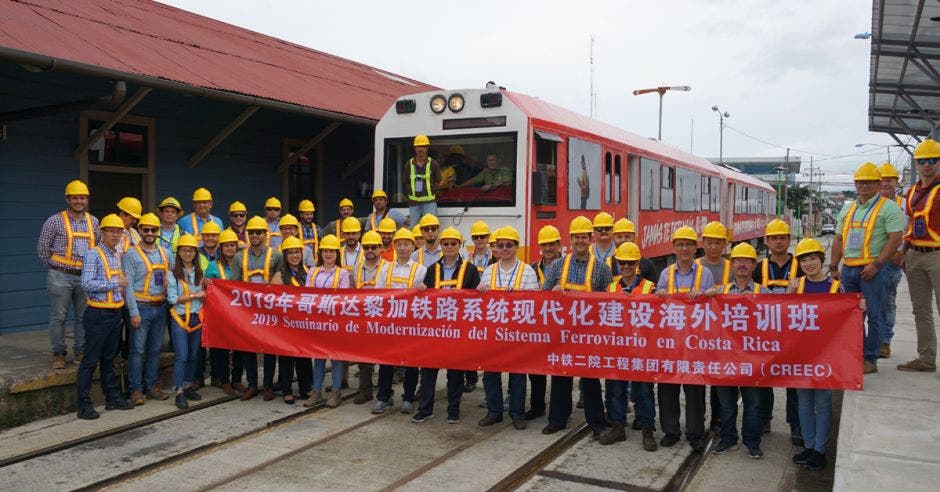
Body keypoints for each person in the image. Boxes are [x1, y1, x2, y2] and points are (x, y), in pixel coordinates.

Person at [789, 238, 865, 471]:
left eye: (813, 258)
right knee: (803, 402)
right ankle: (809, 446)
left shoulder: (835, 287)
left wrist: (860, 308)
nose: (809, 263)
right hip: (801, 355)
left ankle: (820, 450)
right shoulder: (796, 286)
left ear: (822, 260)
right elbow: (782, 319)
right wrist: (789, 295)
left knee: (822, 403)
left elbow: (848, 322)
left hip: (826, 356)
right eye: (804, 260)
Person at [540, 216, 613, 437]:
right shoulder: (557, 266)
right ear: (570, 240)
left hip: (589, 335)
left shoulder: (601, 268)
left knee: (590, 379)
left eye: (583, 237)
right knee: (560, 375)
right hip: (563, 334)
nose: (580, 241)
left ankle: (596, 422)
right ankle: (557, 419)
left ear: (590, 239)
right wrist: (551, 293)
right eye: (576, 237)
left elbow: (610, 302)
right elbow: (542, 297)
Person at [831, 162, 904, 375]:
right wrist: (834, 265)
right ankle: (855, 354)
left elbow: (895, 239)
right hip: (849, 270)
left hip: (874, 270)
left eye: (869, 182)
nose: (864, 185)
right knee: (851, 316)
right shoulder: (847, 208)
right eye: (860, 182)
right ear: (855, 184)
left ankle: (870, 358)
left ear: (878, 183)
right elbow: (838, 238)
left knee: (875, 315)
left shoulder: (889, 208)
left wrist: (877, 264)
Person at [704, 243, 769, 459]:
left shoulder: (764, 293)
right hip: (725, 359)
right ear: (731, 265)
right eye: (737, 261)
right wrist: (702, 295)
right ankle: (728, 439)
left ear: (754, 265)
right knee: (727, 404)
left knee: (753, 404)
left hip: (752, 361)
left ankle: (752, 442)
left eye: (747, 261)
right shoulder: (718, 292)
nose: (742, 264)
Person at [655, 226, 714, 452]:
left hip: (695, 342)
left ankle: (695, 432)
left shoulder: (704, 274)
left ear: (695, 248)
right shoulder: (665, 274)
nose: (685, 248)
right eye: (680, 244)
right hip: (669, 342)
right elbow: (658, 305)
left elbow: (712, 305)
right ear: (674, 248)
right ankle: (671, 431)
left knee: (694, 390)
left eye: (689, 244)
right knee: (668, 388)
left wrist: (707, 294)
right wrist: (659, 295)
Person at [414, 227, 481, 424]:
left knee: (455, 372)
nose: (449, 247)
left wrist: (481, 290)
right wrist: (421, 289)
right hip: (435, 330)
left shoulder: (470, 269)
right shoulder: (431, 269)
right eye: (446, 243)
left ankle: (454, 409)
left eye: (453, 243)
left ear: (460, 245)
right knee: (428, 370)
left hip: (458, 331)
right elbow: (424, 298)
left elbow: (476, 299)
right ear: (441, 245)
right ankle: (425, 409)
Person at [477, 226, 540, 430]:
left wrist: (519, 293)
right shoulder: (488, 272)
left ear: (516, 247)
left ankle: (517, 413)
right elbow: (480, 304)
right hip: (493, 332)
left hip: (517, 332)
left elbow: (534, 301)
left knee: (518, 374)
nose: (504, 249)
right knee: (490, 374)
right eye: (500, 245)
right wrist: (481, 291)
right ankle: (494, 412)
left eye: (509, 245)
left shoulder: (527, 272)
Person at [76, 213, 134, 419]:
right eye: (111, 231)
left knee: (109, 358)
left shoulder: (118, 255)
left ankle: (112, 397)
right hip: (98, 313)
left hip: (114, 313)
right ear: (102, 232)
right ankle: (83, 404)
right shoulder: (93, 254)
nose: (116, 235)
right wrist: (115, 284)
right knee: (90, 360)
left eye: (119, 231)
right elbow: (87, 283)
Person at [38, 180, 100, 369]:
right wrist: (57, 267)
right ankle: (58, 353)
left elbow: (97, 248)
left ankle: (80, 350)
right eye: (75, 198)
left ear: (86, 200)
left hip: (85, 277)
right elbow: (42, 249)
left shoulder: (94, 222)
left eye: (82, 198)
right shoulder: (54, 220)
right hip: (60, 275)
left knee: (83, 316)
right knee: (59, 315)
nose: (79, 201)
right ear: (68, 199)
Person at [603, 241, 658, 452]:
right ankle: (618, 427)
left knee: (643, 391)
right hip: (617, 349)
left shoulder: (650, 288)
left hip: (641, 350)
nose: (625, 266)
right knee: (615, 390)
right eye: (622, 263)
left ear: (638, 264)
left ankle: (647, 429)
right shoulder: (610, 288)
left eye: (630, 263)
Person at [755, 218, 803, 443]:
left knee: (793, 380)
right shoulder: (759, 268)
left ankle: (796, 424)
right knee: (765, 378)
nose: (778, 242)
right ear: (766, 241)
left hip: (793, 333)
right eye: (774, 238)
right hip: (766, 333)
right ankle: (764, 418)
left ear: (789, 240)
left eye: (782, 238)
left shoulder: (801, 266)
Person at [372, 228, 428, 414]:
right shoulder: (385, 268)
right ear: (394, 246)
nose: (403, 248)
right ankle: (383, 397)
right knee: (386, 362)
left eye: (407, 244)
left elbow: (424, 300)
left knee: (411, 363)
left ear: (413, 246)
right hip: (389, 325)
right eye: (400, 244)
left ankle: (408, 397)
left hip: (410, 326)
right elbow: (378, 295)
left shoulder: (421, 270)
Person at [229, 216, 284, 401]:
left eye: (258, 232)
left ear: (265, 234)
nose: (254, 235)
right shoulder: (238, 256)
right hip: (247, 310)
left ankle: (268, 385)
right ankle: (252, 385)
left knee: (269, 348)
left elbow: (281, 279)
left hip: (268, 310)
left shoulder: (276, 255)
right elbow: (233, 285)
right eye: (251, 232)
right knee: (248, 348)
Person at [897, 139, 940, 373]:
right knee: (921, 309)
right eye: (922, 161)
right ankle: (926, 358)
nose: (927, 165)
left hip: (937, 256)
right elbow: (909, 225)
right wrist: (903, 254)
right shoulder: (911, 191)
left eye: (932, 160)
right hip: (914, 254)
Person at [123, 213, 172, 405]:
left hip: (160, 307)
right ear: (140, 231)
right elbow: (127, 287)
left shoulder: (166, 254)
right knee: (137, 350)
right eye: (146, 229)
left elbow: (173, 280)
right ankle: (136, 389)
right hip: (141, 308)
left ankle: (151, 386)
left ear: (158, 232)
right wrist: (133, 312)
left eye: (153, 230)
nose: (150, 233)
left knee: (154, 351)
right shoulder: (131, 254)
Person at [696, 220, 731, 433]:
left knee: (719, 380)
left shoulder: (732, 268)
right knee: (699, 378)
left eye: (719, 243)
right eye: (710, 242)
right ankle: (698, 420)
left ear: (725, 245)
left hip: (723, 335)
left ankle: (717, 420)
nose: (714, 247)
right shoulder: (695, 266)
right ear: (704, 243)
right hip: (699, 334)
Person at [270, 236, 314, 405]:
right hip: (286, 323)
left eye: (297, 252)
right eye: (291, 253)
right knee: (286, 358)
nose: (295, 256)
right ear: (285, 255)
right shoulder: (279, 275)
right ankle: (287, 390)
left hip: (304, 323)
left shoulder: (310, 272)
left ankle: (305, 388)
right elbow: (272, 300)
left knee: (304, 356)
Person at [167, 234, 206, 410]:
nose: (188, 254)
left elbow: (205, 297)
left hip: (197, 318)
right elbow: (173, 298)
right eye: (184, 250)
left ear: (195, 253)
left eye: (191, 251)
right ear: (179, 252)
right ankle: (179, 391)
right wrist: (195, 295)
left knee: (193, 355)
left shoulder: (199, 273)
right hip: (180, 319)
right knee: (181, 356)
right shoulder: (172, 274)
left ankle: (188, 385)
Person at [203, 229, 241, 395]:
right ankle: (224, 380)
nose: (229, 249)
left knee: (241, 346)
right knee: (221, 348)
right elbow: (208, 287)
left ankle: (237, 379)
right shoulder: (212, 266)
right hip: (219, 312)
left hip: (240, 313)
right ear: (221, 247)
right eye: (226, 246)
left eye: (232, 245)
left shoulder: (242, 263)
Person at [351, 230, 386, 404]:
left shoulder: (388, 267)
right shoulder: (357, 268)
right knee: (363, 358)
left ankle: (384, 391)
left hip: (382, 319)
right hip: (363, 318)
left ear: (381, 248)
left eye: (374, 247)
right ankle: (365, 390)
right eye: (366, 247)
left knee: (385, 357)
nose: (370, 250)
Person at [877, 162, 905, 358]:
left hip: (893, 261)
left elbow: (910, 230)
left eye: (890, 179)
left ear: (897, 181)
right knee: (869, 303)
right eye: (882, 179)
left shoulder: (905, 204)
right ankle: (871, 340)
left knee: (888, 303)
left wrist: (903, 252)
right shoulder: (870, 203)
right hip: (871, 260)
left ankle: (885, 342)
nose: (886, 183)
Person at [192, 221, 223, 389]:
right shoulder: (194, 254)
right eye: (207, 235)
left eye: (214, 235)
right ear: (202, 237)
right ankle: (198, 378)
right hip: (200, 303)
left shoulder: (224, 252)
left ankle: (217, 376)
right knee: (199, 343)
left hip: (219, 306)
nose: (211, 238)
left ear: (219, 237)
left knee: (217, 341)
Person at [403, 134, 443, 221]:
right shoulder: (408, 164)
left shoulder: (433, 163)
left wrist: (432, 191)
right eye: (418, 146)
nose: (420, 149)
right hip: (414, 203)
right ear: (415, 148)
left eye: (423, 146)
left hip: (429, 202)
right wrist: (410, 192)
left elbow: (438, 181)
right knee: (414, 228)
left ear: (427, 148)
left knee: (430, 225)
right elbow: (406, 182)